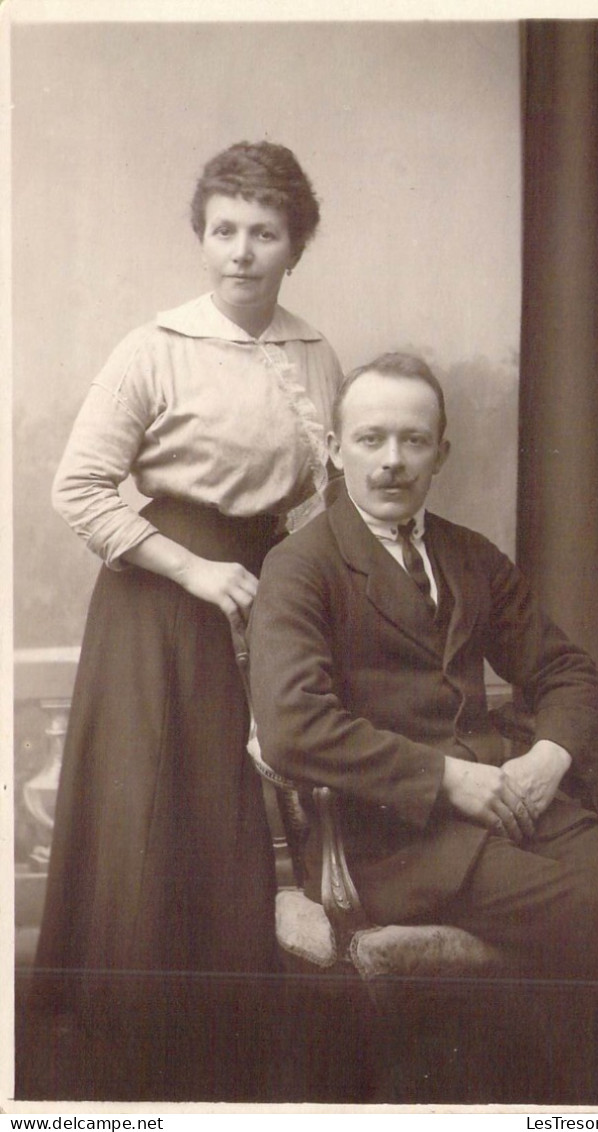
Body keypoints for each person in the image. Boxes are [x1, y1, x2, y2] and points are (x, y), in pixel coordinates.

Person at [248, 352, 598, 1102]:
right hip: (397, 841)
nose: (392, 461)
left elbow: (568, 673)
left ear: (441, 452)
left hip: (517, 801)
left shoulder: (468, 555)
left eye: (414, 441)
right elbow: (291, 727)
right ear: (334, 447)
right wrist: (448, 779)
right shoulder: (301, 566)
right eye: (372, 439)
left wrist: (548, 760)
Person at [32, 141, 342, 1098]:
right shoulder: (155, 346)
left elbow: (327, 494)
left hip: (269, 584)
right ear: (201, 237)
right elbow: (79, 490)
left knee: (242, 794)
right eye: (223, 231)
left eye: (264, 232)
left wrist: (291, 587)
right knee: (160, 795)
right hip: (159, 595)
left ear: (296, 244)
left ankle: (235, 1030)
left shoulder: (314, 353)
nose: (241, 251)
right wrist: (195, 571)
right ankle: (139, 1042)